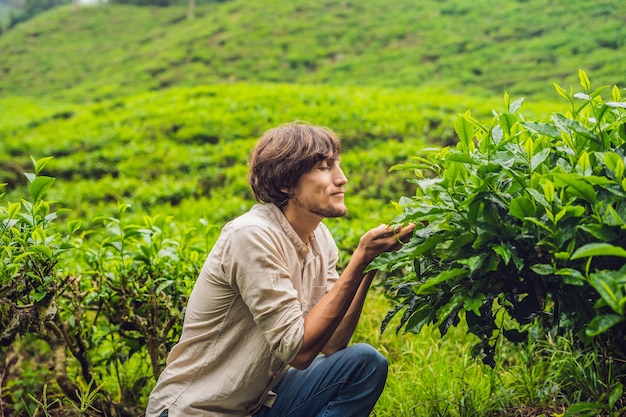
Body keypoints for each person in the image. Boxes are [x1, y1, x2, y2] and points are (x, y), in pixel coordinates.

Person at [145, 122, 415, 417]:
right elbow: (299, 352)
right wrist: (359, 259)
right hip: (198, 410)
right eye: (325, 167)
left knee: (364, 363)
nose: (342, 179)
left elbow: (334, 342)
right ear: (286, 182)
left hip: (256, 405)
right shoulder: (251, 235)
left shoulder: (320, 238)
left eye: (337, 165)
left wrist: (370, 264)